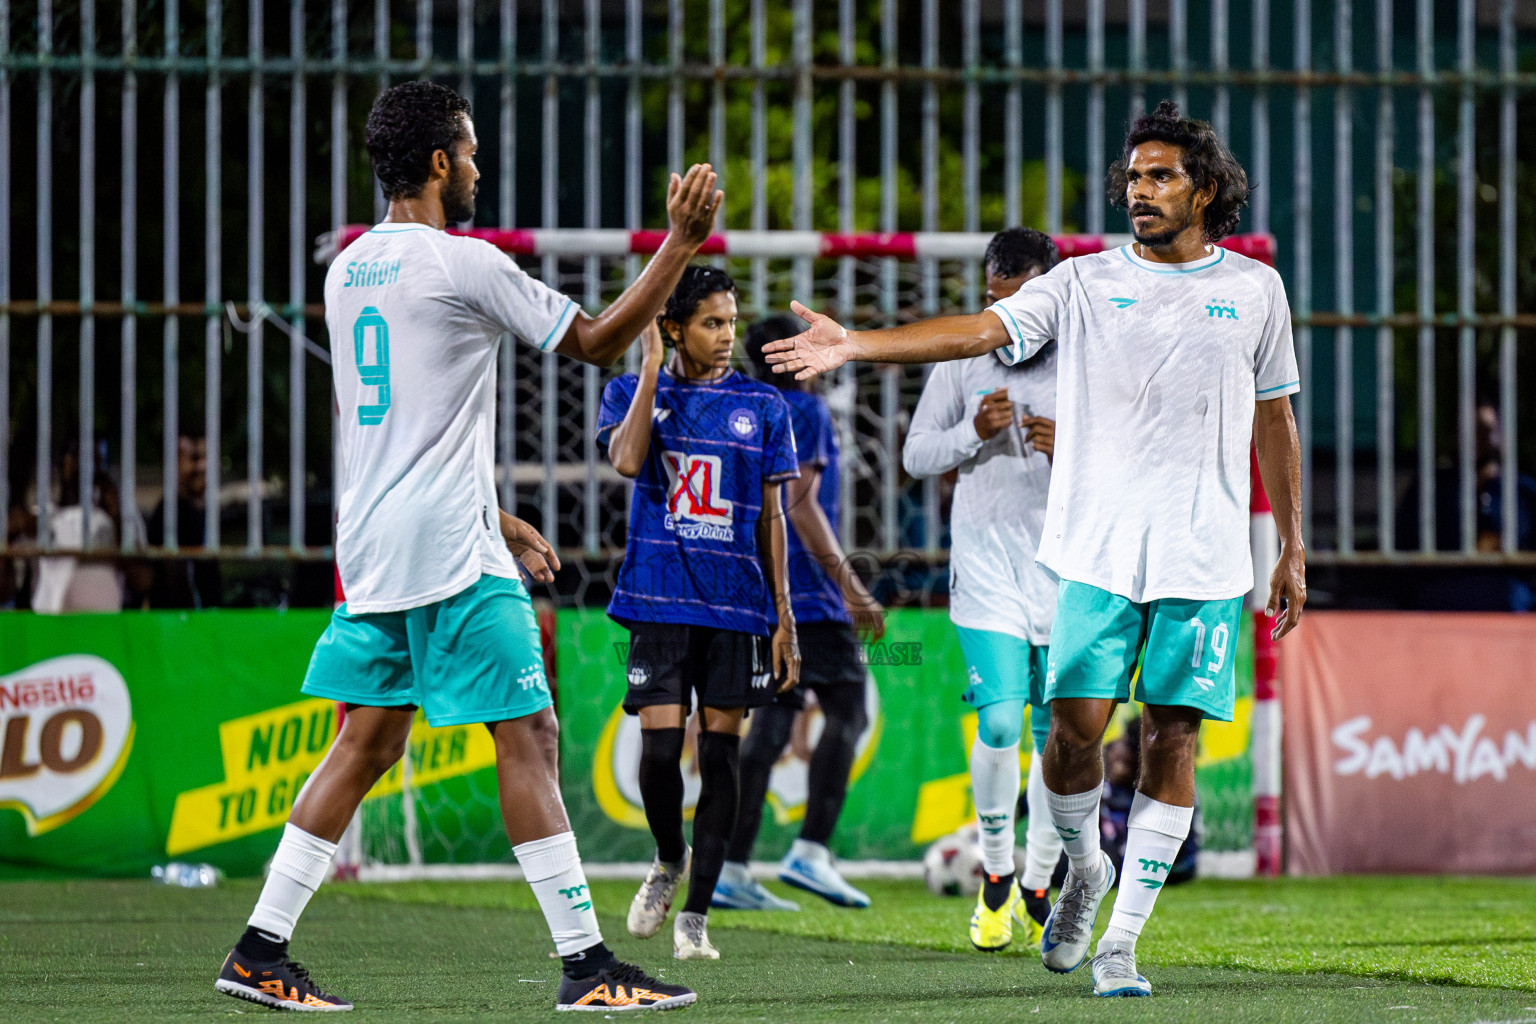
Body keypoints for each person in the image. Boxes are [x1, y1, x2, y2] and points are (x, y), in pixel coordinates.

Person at [764, 100, 1305, 998]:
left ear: (1206, 188)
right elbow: (979, 331)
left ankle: (1122, 944)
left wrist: (1290, 542)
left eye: (1160, 175)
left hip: (1203, 558)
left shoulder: (1256, 292)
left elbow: (1276, 415)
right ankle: (1083, 866)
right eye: (1132, 177)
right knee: (1073, 736)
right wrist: (856, 343)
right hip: (1091, 556)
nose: (1139, 191)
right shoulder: (1083, 282)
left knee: (1174, 742)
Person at [215, 81, 721, 1013]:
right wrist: (680, 245)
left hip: (372, 545)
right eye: (473, 151)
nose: (480, 167)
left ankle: (257, 948)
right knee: (529, 733)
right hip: (448, 555)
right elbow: (600, 339)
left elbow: (402, 426)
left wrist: (496, 516)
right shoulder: (462, 263)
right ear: (441, 162)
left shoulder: (349, 268)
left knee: (363, 742)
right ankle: (586, 966)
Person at [597, 267, 801, 960]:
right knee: (660, 752)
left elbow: (773, 516)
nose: (726, 336)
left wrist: (784, 617)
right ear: (674, 326)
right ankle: (667, 856)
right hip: (657, 598)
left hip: (737, 606)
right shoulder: (629, 392)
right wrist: (652, 366)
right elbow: (626, 462)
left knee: (720, 756)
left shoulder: (763, 405)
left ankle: (697, 917)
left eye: (731, 322)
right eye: (712, 323)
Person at [902, 227, 1065, 953]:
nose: (1004, 316)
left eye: (1019, 300)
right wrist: (971, 431)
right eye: (994, 300)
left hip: (1068, 572)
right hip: (988, 571)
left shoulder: (1085, 362)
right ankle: (996, 876)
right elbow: (914, 454)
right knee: (1001, 725)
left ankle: (1038, 881)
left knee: (1061, 740)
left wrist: (1078, 447)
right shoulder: (963, 361)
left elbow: (1133, 455)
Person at [714, 314, 886, 913]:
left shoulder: (745, 408)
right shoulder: (803, 412)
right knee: (847, 707)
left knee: (772, 721)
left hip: (757, 589)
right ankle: (810, 851)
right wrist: (851, 587)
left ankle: (730, 866)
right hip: (809, 592)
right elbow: (800, 507)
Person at [143, 434, 223, 609]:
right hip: (183, 625)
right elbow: (175, 575)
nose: (203, 466)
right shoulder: (172, 513)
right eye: (194, 458)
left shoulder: (198, 510)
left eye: (207, 457)